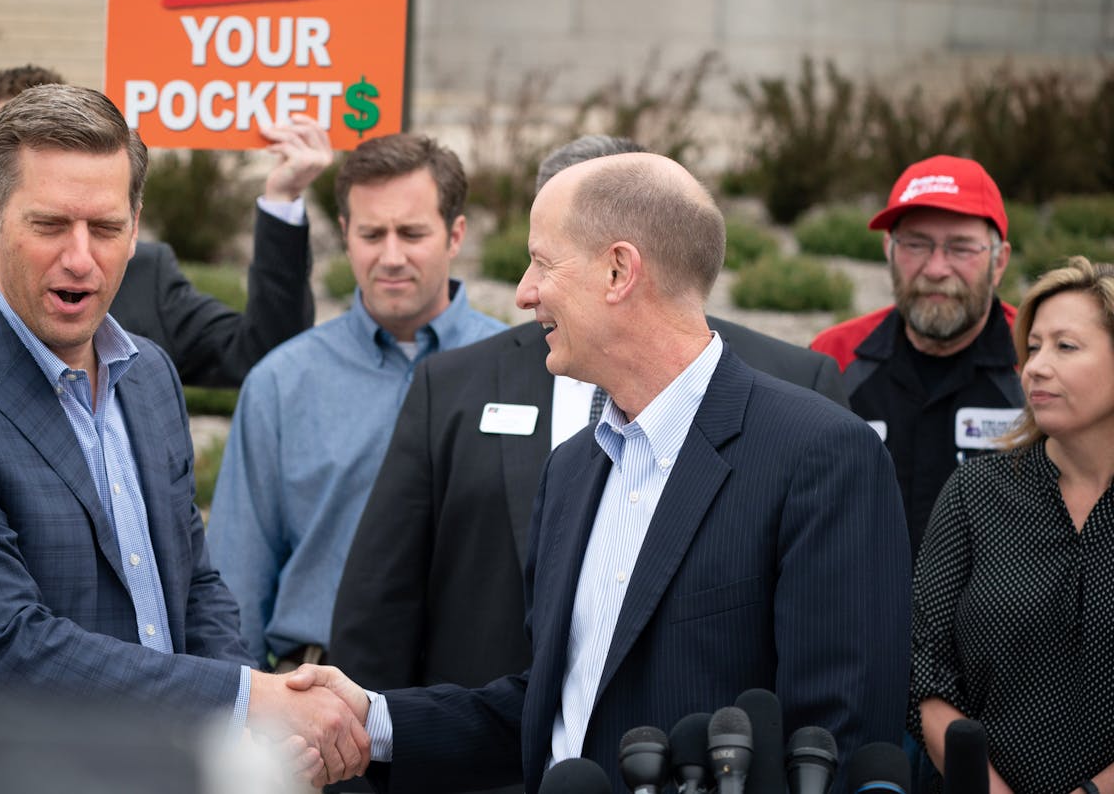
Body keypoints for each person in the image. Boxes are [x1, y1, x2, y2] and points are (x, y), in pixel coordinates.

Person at [294, 151, 911, 793]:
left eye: (543, 262)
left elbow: (837, 743)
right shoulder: (573, 469)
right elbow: (553, 714)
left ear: (619, 271)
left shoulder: (820, 453)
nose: (524, 292)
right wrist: (376, 719)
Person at [0, 85, 365, 793]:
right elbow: (11, 653)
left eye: (105, 226)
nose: (81, 258)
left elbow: (194, 581)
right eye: (51, 224)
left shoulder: (148, 374)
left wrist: (249, 710)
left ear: (136, 223)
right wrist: (247, 700)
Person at [206, 133, 507, 671]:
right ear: (345, 235)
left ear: (455, 234)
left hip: (477, 705)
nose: (391, 257)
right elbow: (237, 581)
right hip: (317, 705)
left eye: (412, 233)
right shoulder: (282, 383)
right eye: (372, 234)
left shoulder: (519, 370)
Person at [910, 256, 1114, 794]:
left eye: (1065, 347)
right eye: (1034, 348)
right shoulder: (976, 491)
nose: (1036, 368)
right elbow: (921, 664)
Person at [811, 154, 1019, 559]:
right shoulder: (832, 358)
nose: (936, 268)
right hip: (865, 613)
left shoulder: (1038, 361)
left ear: (999, 262)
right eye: (916, 244)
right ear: (889, 250)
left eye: (960, 247)